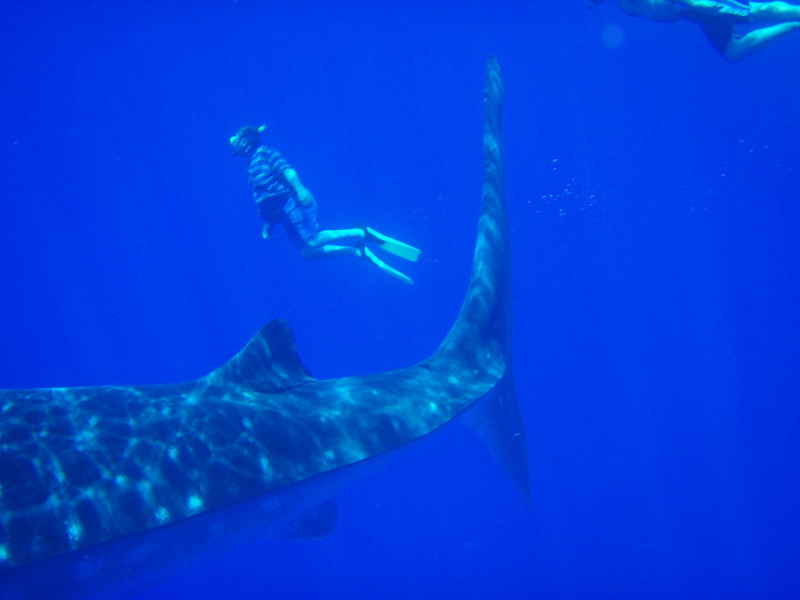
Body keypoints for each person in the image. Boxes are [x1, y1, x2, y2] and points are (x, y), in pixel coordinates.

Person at [230, 125, 420, 284]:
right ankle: (357, 251)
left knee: (311, 241)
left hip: (291, 202)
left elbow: (287, 171)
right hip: (282, 212)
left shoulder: (265, 152)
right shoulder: (252, 163)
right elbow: (265, 195)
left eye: (237, 141)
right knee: (306, 253)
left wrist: (300, 189)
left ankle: (362, 232)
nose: (235, 145)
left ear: (246, 140)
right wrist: (269, 222)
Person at [590, 0, 800, 61]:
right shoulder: (621, 4)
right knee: (733, 52)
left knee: (757, 13)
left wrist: (698, 3)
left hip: (698, 4)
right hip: (695, 13)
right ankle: (795, 23)